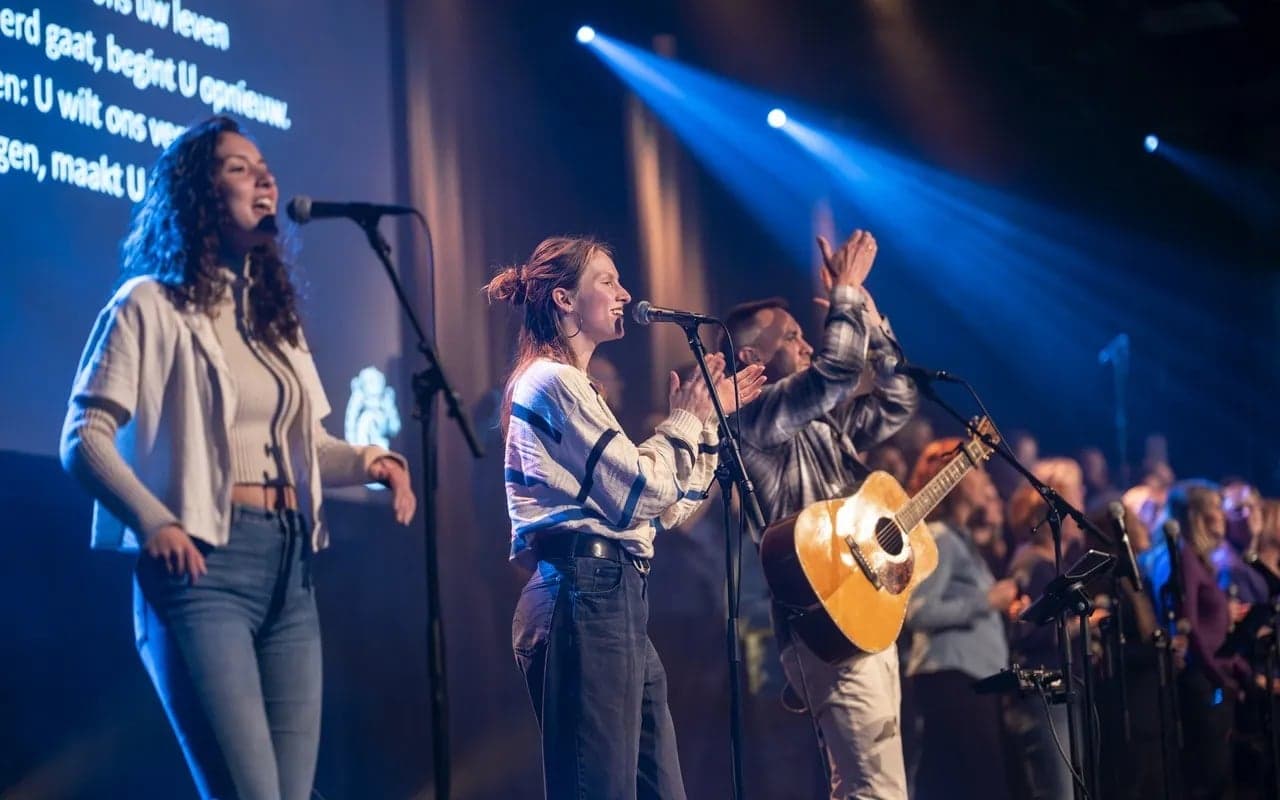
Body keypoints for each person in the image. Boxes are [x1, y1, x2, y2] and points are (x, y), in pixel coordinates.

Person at [59, 115, 417, 800]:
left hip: (291, 571)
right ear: (196, 194)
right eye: (237, 166)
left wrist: (373, 459)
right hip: (203, 571)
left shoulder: (272, 322)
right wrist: (154, 521)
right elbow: (83, 438)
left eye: (264, 164)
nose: (264, 176)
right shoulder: (149, 305)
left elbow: (310, 447)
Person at [483, 236, 765, 799]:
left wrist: (706, 424)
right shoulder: (551, 382)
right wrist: (685, 419)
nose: (625, 293)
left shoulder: (575, 387)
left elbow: (669, 509)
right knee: (601, 788)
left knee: (659, 788)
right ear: (564, 298)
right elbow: (643, 489)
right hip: (584, 591)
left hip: (613, 594)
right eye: (607, 281)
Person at [720, 229, 918, 798]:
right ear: (754, 357)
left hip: (864, 606)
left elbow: (899, 401)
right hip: (824, 619)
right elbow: (834, 374)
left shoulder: (821, 424)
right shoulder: (751, 420)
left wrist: (873, 323)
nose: (806, 344)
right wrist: (848, 293)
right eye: (792, 337)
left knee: (880, 786)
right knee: (868, 787)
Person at [902, 438, 1018, 800]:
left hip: (972, 683)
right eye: (973, 471)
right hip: (952, 681)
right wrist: (986, 601)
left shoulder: (961, 540)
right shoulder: (938, 538)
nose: (983, 479)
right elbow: (918, 611)